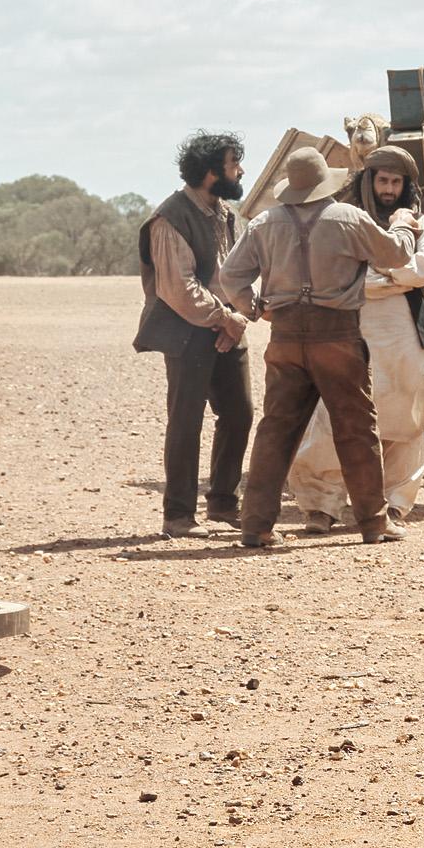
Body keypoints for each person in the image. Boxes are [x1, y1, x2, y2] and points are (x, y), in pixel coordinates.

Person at [217, 146, 424, 547]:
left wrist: (256, 307)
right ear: (325, 183)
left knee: (276, 430)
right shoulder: (348, 218)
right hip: (338, 337)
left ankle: (256, 525)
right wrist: (403, 223)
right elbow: (396, 255)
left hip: (286, 338)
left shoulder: (264, 223)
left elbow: (231, 277)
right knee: (357, 430)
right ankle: (373, 523)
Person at [292, 144, 424, 527]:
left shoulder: (419, 224)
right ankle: (321, 505)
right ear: (369, 181)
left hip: (408, 334)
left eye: (396, 182)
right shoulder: (348, 222)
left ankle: (394, 504)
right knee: (335, 416)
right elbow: (345, 274)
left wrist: (382, 276)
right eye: (383, 180)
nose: (389, 188)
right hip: (353, 330)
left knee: (406, 421)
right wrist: (393, 275)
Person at [133, 130, 253, 540]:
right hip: (188, 333)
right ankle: (179, 514)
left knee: (240, 413)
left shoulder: (226, 215)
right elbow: (177, 287)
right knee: (186, 421)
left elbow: (232, 274)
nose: (240, 171)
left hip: (226, 328)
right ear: (209, 172)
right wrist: (224, 317)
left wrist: (238, 314)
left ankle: (222, 502)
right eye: (233, 164)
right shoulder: (171, 218)